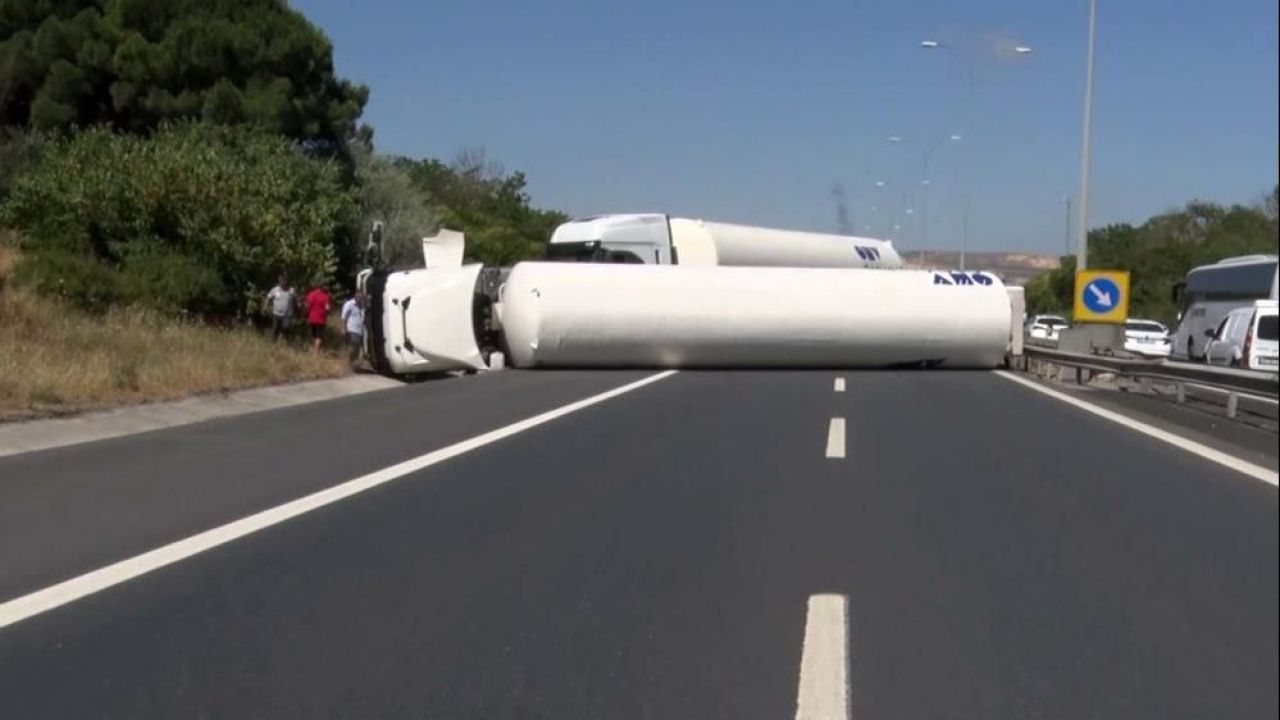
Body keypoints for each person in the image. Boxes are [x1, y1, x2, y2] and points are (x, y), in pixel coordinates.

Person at [264, 275, 295, 342]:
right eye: (281, 281)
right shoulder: (275, 290)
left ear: (286, 282)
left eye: (284, 281)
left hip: (287, 315)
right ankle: (274, 343)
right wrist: (266, 307)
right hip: (277, 314)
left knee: (285, 330)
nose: (282, 283)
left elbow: (295, 300)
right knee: (275, 330)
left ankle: (286, 343)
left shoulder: (291, 290)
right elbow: (268, 298)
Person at [304, 283, 332, 353]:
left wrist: (306, 314)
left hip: (311, 318)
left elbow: (307, 306)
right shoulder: (326, 296)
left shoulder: (310, 295)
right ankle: (316, 352)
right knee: (319, 336)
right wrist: (327, 314)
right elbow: (327, 308)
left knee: (313, 334)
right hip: (321, 319)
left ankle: (313, 348)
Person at [341, 291, 366, 366]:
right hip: (351, 329)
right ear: (356, 297)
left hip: (359, 330)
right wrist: (343, 328)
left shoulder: (361, 306)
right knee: (354, 345)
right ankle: (347, 362)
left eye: (362, 299)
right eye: (360, 298)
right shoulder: (349, 304)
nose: (361, 300)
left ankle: (350, 364)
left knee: (357, 349)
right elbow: (344, 317)